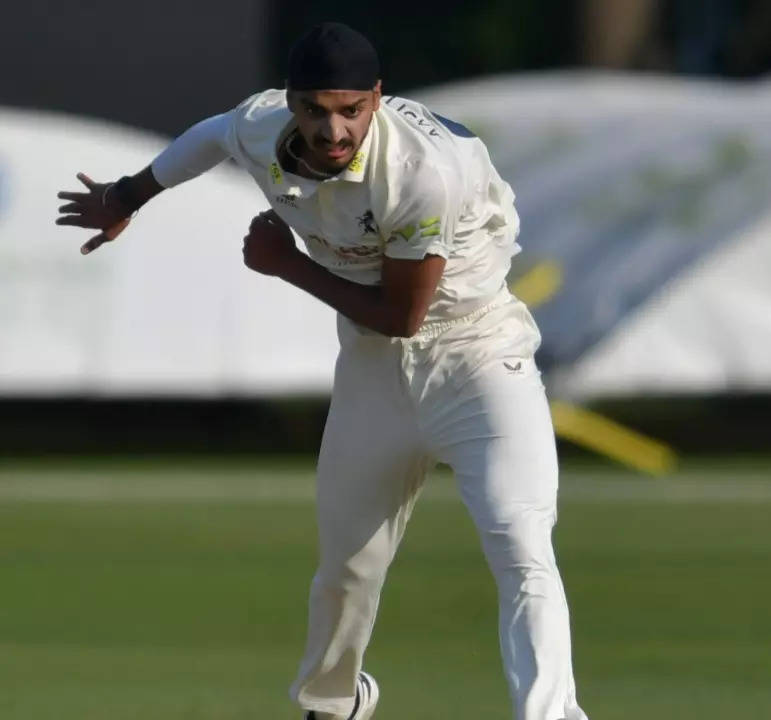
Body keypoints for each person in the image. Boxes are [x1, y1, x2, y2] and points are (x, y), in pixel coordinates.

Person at [54, 22, 588, 720]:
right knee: (348, 568)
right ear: (290, 102)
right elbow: (213, 135)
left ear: (376, 97)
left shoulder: (424, 172)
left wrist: (290, 267)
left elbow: (404, 314)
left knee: (520, 544)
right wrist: (127, 196)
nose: (331, 129)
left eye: (349, 110)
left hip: (479, 355)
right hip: (373, 368)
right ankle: (334, 705)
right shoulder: (262, 123)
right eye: (313, 109)